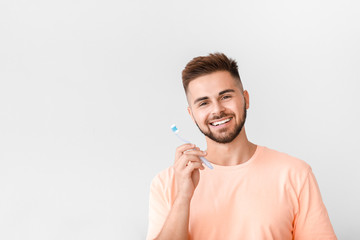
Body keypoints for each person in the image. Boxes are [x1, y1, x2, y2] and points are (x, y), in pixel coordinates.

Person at [146, 53, 337, 240]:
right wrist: (182, 198)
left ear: (245, 99)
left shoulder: (295, 174)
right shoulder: (166, 183)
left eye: (226, 96)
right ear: (192, 114)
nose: (217, 110)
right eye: (204, 103)